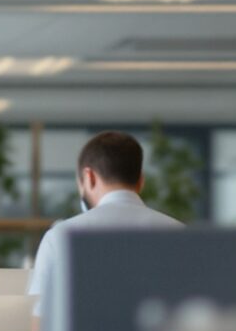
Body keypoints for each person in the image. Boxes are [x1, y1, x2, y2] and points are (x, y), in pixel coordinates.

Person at [26, 130, 182, 319]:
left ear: (89, 177)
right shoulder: (179, 234)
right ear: (141, 182)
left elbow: (41, 326)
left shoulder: (61, 236)